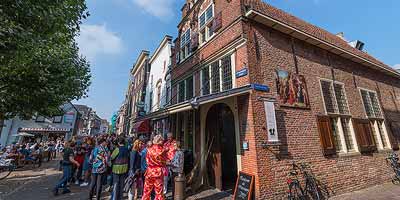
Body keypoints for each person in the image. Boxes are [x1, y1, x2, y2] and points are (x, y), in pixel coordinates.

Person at [142, 135, 167, 200]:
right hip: (158, 172)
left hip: (149, 172)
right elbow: (164, 162)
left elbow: (147, 160)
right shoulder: (162, 151)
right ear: (160, 141)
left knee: (146, 191)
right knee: (159, 192)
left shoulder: (149, 150)